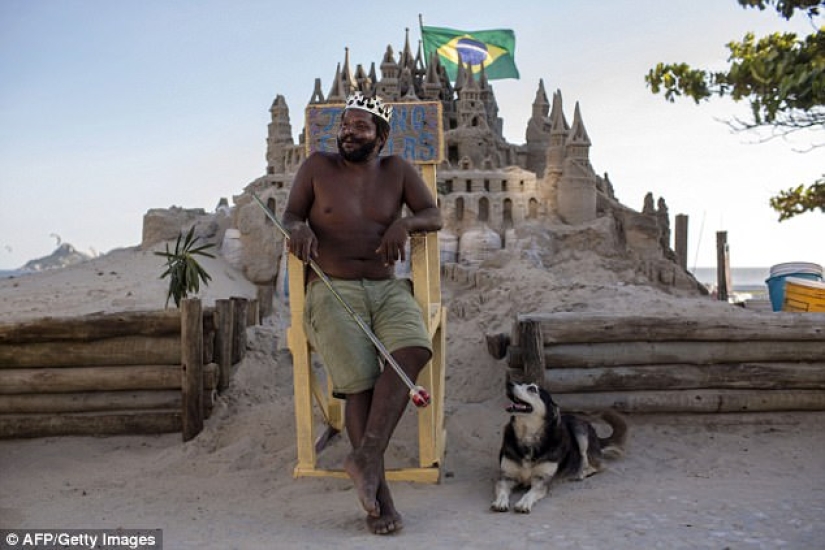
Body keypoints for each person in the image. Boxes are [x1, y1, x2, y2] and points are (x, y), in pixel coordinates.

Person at [281, 92, 443, 535]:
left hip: (385, 287)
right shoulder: (318, 166)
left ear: (381, 135)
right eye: (345, 125)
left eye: (360, 127)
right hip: (332, 289)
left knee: (413, 351)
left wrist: (404, 224)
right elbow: (291, 215)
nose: (349, 133)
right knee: (360, 384)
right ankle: (381, 499)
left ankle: (366, 456)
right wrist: (298, 231)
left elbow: (433, 214)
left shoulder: (397, 171)